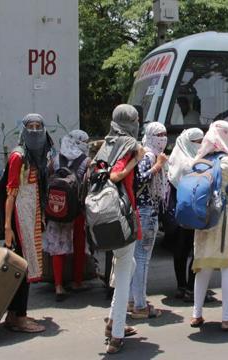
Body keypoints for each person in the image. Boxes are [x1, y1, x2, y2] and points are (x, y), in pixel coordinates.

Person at [189, 119, 228, 331]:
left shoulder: (198, 160)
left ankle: (196, 314)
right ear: (225, 136)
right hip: (227, 219)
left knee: (203, 268)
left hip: (203, 219)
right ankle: (226, 318)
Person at [95, 104, 143, 354]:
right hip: (122, 215)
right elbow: (115, 176)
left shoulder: (107, 143)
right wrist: (137, 159)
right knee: (125, 274)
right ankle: (116, 335)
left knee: (128, 265)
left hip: (104, 215)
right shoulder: (128, 145)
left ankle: (114, 320)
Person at [3, 113, 52, 333]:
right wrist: (7, 228)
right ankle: (18, 317)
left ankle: (15, 314)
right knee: (22, 268)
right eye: (30, 126)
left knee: (25, 266)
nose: (34, 130)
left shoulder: (37, 156)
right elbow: (10, 193)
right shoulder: (19, 156)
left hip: (31, 216)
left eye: (38, 126)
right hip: (19, 220)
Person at [44, 129, 90, 301]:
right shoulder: (86, 161)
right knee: (78, 243)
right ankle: (77, 281)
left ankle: (58, 285)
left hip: (56, 208)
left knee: (57, 247)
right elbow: (87, 185)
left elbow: (47, 179)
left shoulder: (55, 160)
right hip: (76, 210)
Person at [166, 128, 211, 302]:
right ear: (189, 142)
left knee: (181, 250)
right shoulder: (190, 163)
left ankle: (181, 286)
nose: (201, 145)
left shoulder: (175, 158)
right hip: (192, 211)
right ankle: (192, 288)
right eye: (198, 142)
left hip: (178, 212)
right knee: (195, 249)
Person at [128, 122, 168, 319]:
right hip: (146, 212)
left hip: (145, 211)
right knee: (142, 260)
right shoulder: (149, 156)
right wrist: (158, 166)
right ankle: (140, 305)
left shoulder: (147, 153)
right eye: (159, 134)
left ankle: (131, 300)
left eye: (164, 134)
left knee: (136, 259)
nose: (163, 138)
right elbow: (140, 179)